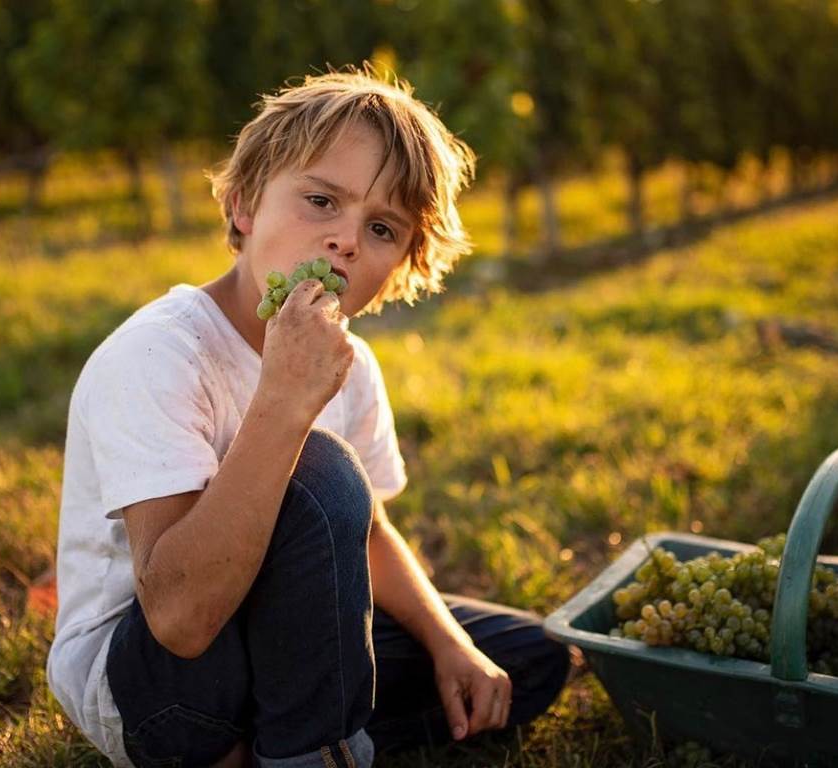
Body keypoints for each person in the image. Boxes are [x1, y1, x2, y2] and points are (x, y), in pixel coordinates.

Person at [46, 66, 570, 768]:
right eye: (322, 200)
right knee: (319, 465)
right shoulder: (158, 353)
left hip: (280, 637)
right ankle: (307, 752)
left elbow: (367, 535)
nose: (346, 241)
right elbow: (179, 619)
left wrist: (449, 643)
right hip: (160, 683)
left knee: (525, 657)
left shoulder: (349, 364)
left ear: (399, 267)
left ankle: (285, 739)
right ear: (242, 208)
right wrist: (283, 403)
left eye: (381, 227)